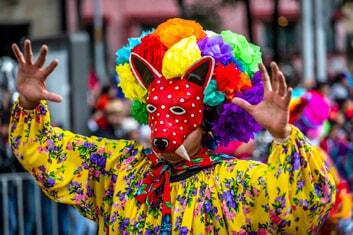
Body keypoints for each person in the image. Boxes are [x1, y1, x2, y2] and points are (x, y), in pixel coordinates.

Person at [9, 18, 335, 234]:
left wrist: (281, 135)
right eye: (156, 110)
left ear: (206, 118)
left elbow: (305, 204)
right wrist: (27, 104)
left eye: (179, 111)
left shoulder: (235, 183)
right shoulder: (121, 170)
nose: (163, 128)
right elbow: (45, 153)